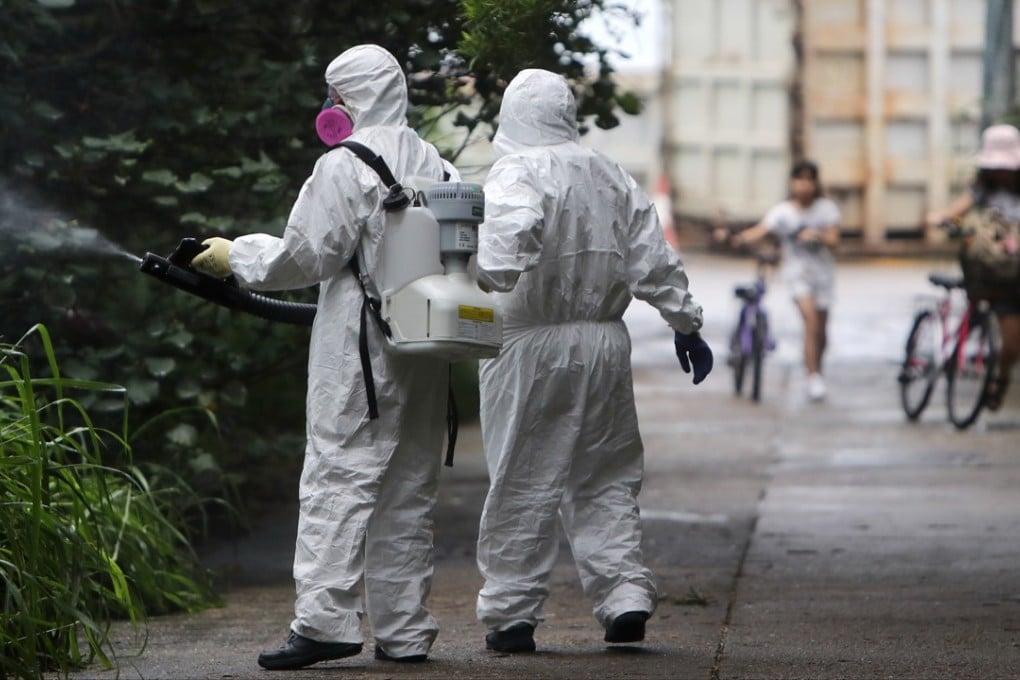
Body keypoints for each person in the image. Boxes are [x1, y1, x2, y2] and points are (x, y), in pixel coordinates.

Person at [191, 44, 459, 669]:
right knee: (407, 489)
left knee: (339, 476)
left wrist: (238, 257)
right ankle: (405, 631)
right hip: (425, 345)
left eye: (333, 96)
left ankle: (324, 623)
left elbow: (304, 257)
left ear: (349, 100)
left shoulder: (346, 163)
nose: (328, 107)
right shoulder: (438, 164)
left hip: (362, 351)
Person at [472, 68, 713, 654]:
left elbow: (503, 254)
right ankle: (624, 593)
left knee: (523, 475)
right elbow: (653, 259)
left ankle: (512, 614)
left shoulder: (517, 170)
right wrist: (685, 323)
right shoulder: (609, 173)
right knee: (605, 473)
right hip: (605, 344)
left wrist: (466, 271)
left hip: (530, 344)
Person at [728, 160, 841, 401]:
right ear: (792, 183)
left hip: (823, 276)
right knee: (810, 321)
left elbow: (834, 238)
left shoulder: (825, 209)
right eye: (799, 179)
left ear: (816, 183)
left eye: (809, 179)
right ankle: (812, 377)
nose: (804, 185)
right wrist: (737, 239)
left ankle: (817, 369)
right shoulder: (783, 212)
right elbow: (760, 231)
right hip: (797, 275)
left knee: (821, 330)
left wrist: (817, 235)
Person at [926, 123, 1020, 411]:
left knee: (1012, 344)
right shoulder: (982, 190)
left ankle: (1001, 379)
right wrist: (940, 218)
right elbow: (957, 210)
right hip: (995, 273)